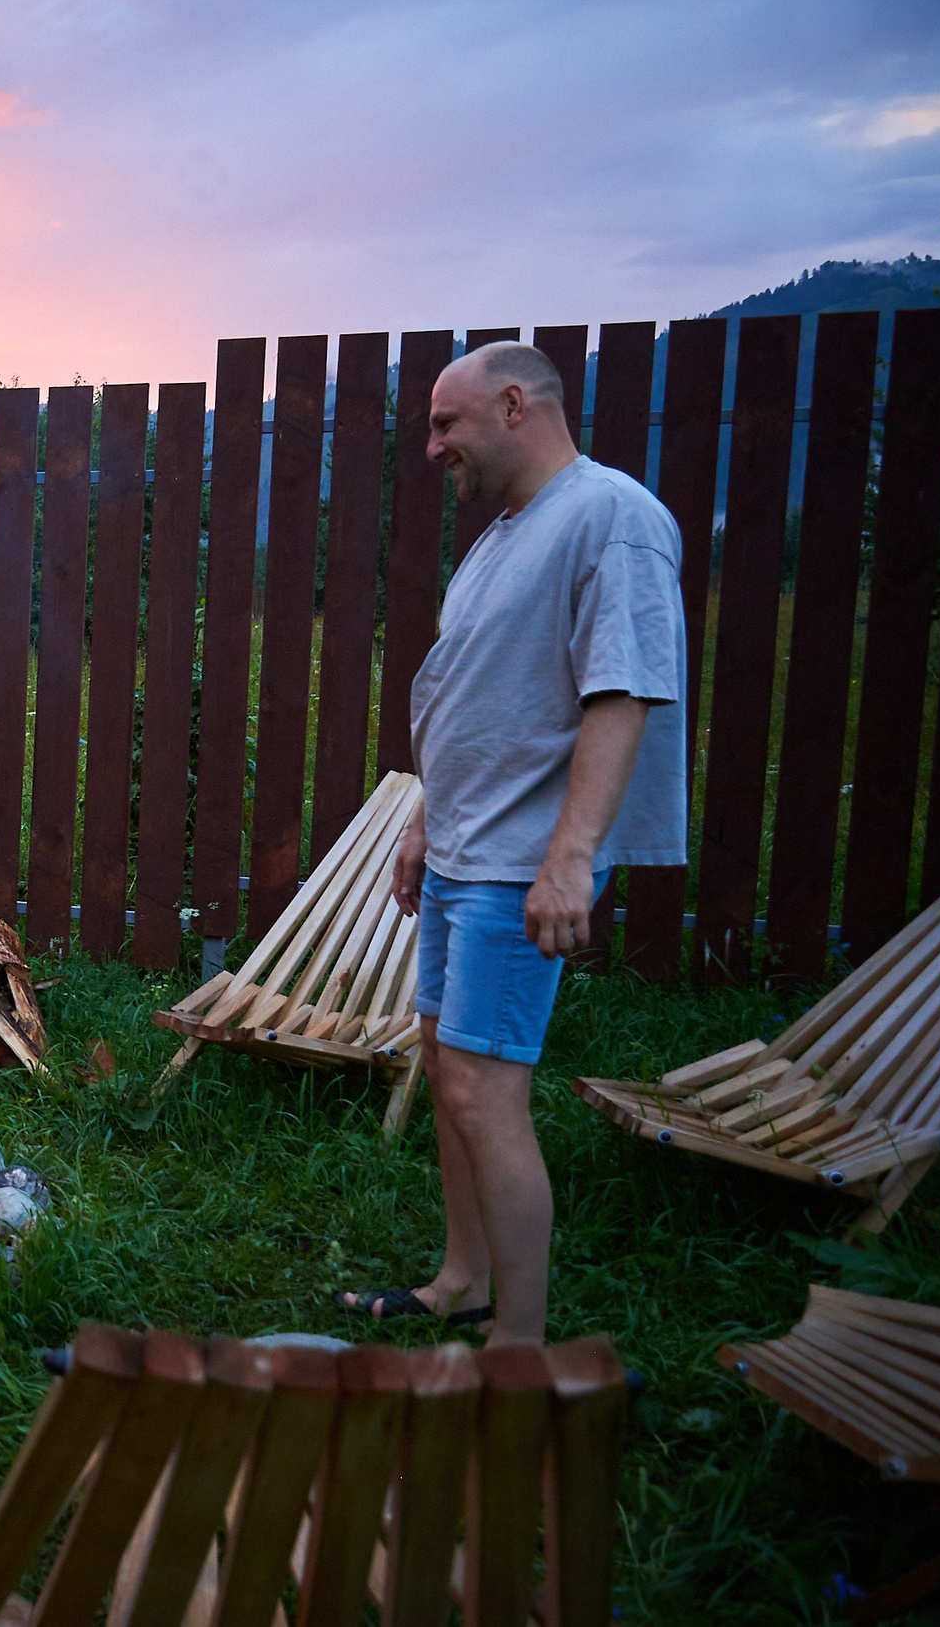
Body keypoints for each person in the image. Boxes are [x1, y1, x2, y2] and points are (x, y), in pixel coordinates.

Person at [337, 341, 687, 1348]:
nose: (434, 445)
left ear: (513, 403)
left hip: (517, 859)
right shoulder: (503, 536)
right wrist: (420, 820)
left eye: (447, 424)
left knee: (486, 1090)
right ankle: (459, 1278)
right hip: (461, 844)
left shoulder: (610, 518)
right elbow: (471, 698)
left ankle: (516, 1349)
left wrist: (570, 855)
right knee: (450, 1065)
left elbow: (621, 689)